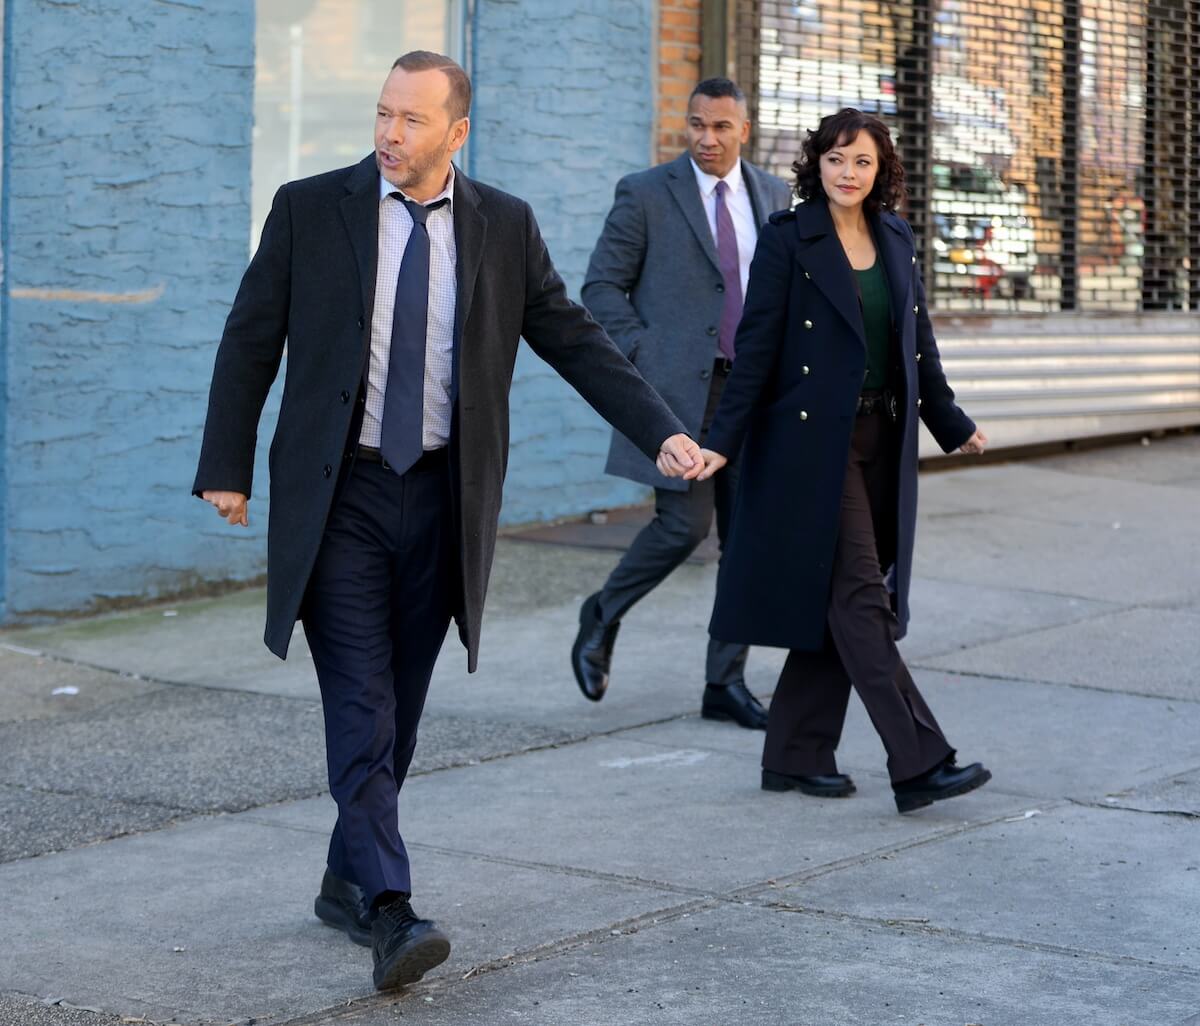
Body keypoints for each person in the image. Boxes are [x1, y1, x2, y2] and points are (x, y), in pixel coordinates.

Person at [192, 51, 704, 992]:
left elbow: (575, 340)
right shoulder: (311, 208)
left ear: (456, 133)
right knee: (359, 698)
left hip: (441, 498)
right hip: (338, 495)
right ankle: (391, 910)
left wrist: (663, 433)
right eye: (384, 114)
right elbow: (250, 334)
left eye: (413, 120)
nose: (390, 134)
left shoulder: (504, 226)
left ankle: (347, 879)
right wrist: (225, 464)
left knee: (404, 707)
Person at [696, 108, 992, 813]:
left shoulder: (894, 236)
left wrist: (949, 421)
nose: (847, 174)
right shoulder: (789, 240)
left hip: (880, 442)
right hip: (810, 450)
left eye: (861, 161)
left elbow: (916, 343)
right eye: (835, 160)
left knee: (841, 602)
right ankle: (920, 761)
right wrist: (720, 441)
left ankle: (795, 755)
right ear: (816, 165)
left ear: (881, 168)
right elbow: (756, 350)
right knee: (864, 598)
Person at [570, 78, 792, 730]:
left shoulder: (773, 195)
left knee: (747, 540)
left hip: (750, 392)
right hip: (680, 393)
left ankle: (723, 682)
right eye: (697, 124)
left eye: (721, 126)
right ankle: (602, 613)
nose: (707, 138)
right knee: (684, 525)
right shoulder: (645, 193)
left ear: (743, 129)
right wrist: (647, 354)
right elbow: (600, 287)